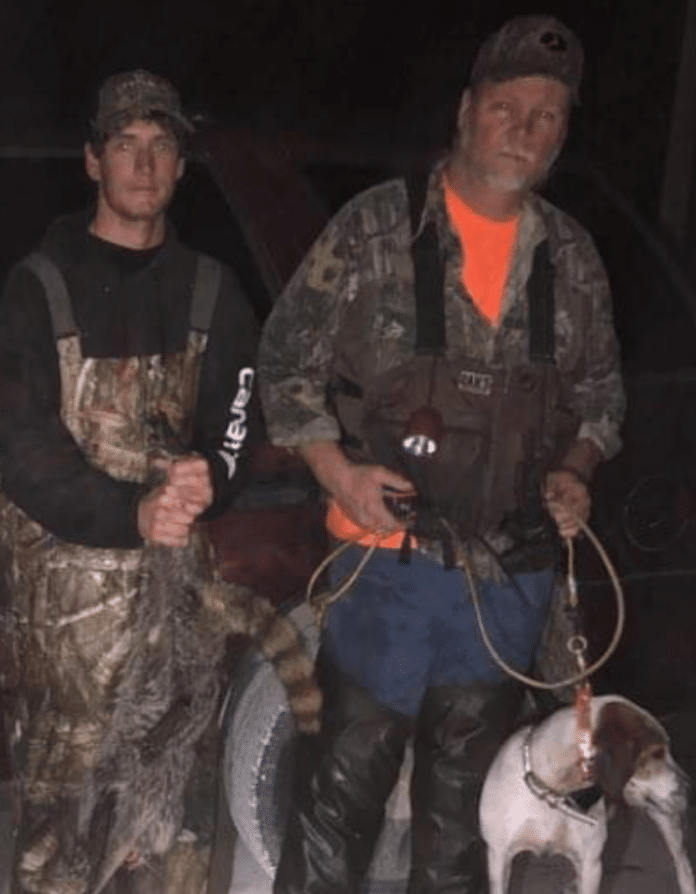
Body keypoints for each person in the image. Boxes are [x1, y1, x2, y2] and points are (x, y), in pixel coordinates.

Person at [258, 14, 625, 894]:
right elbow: (284, 367)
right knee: (338, 803)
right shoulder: (375, 231)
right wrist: (339, 473)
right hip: (386, 573)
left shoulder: (571, 258)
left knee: (465, 824)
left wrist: (576, 467)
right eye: (508, 107)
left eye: (548, 118)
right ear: (466, 111)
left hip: (506, 587)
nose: (525, 132)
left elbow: (603, 400)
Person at [0, 70, 263, 893]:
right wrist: (132, 510)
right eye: (125, 145)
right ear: (92, 161)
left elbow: (237, 425)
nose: (144, 166)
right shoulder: (35, 288)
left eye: (163, 147)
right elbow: (22, 448)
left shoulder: (217, 293)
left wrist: (207, 478)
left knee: (171, 812)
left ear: (182, 165)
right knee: (63, 827)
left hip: (174, 609)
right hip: (61, 623)